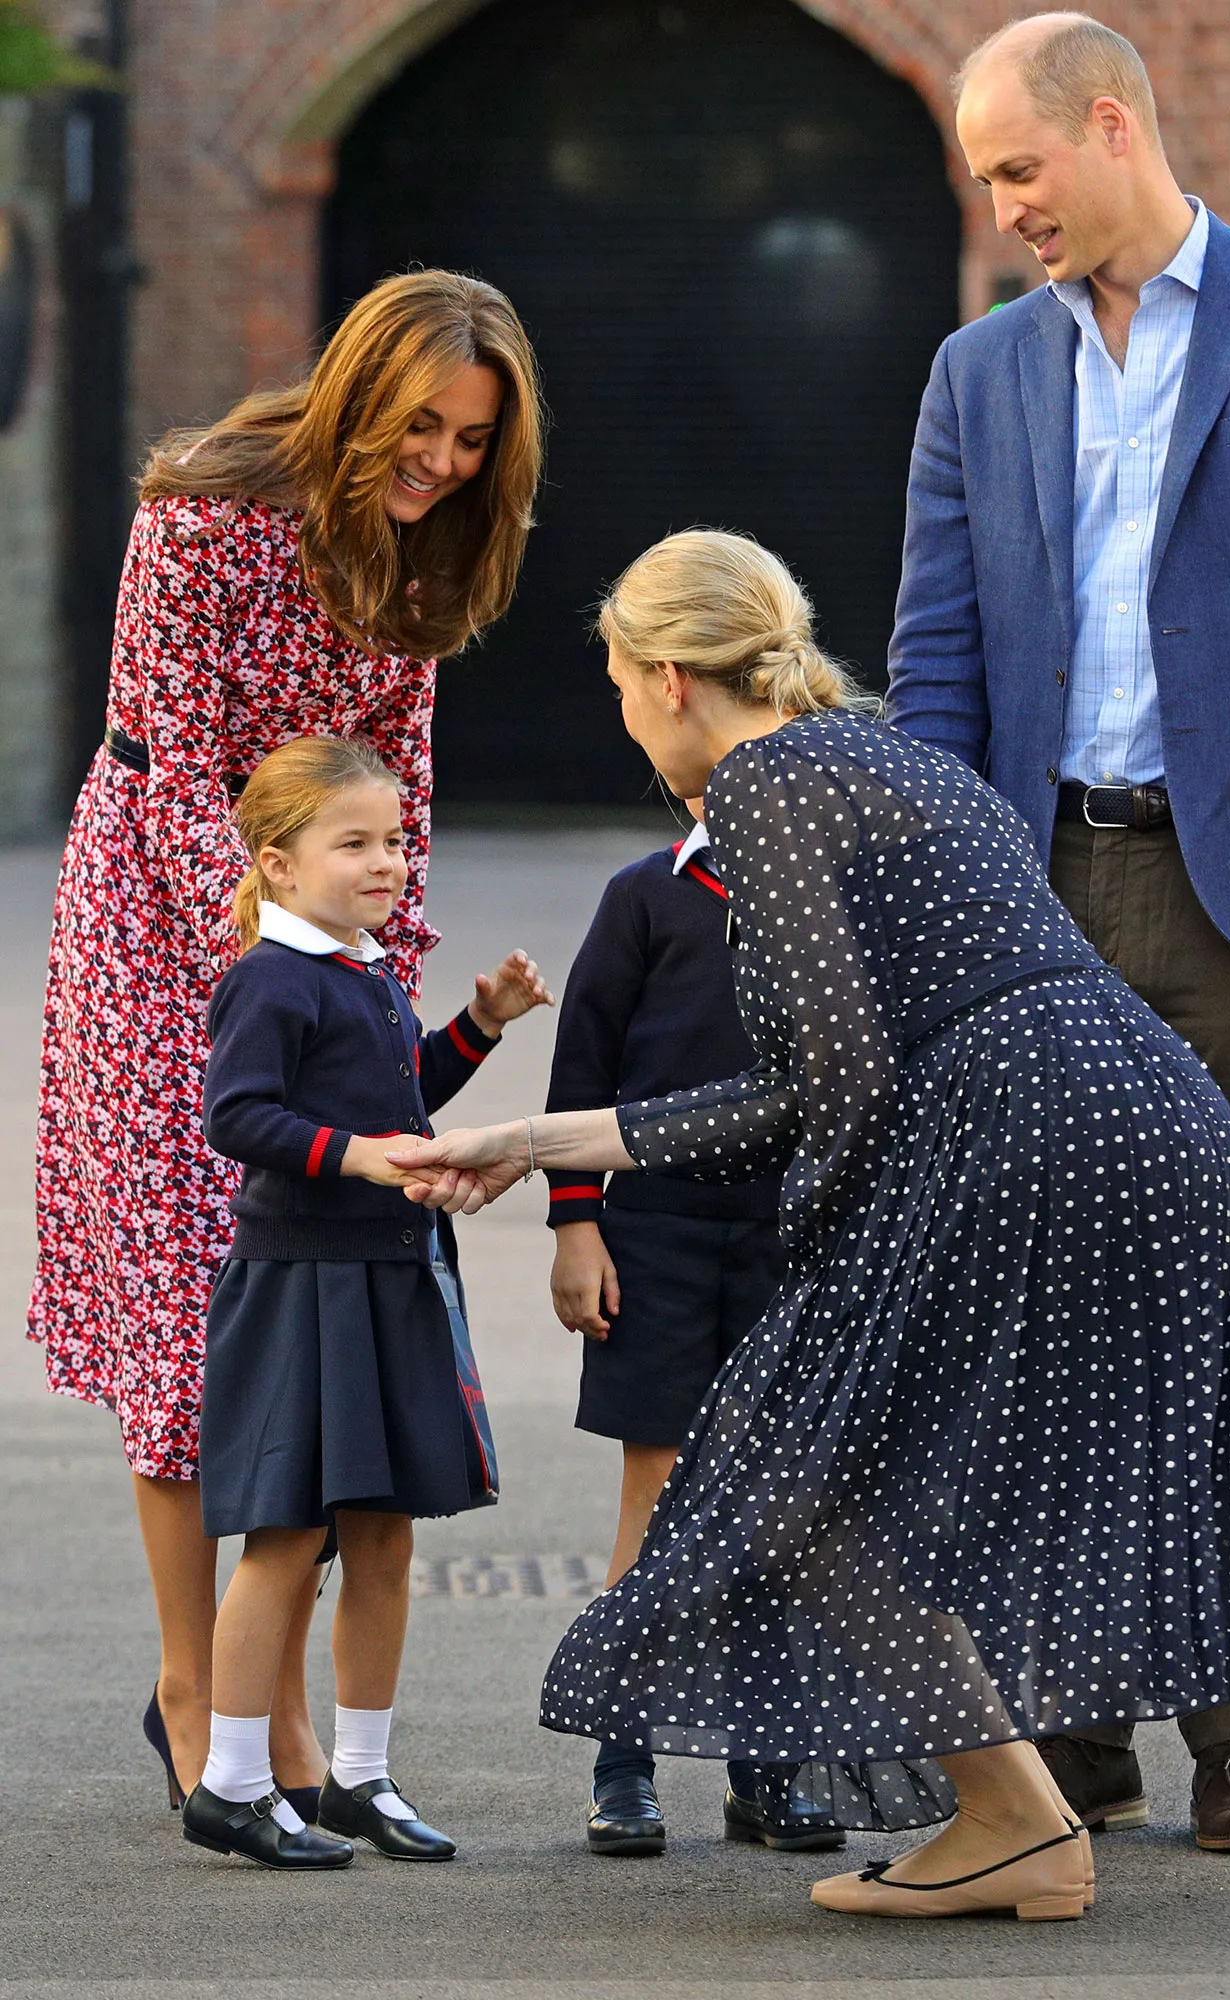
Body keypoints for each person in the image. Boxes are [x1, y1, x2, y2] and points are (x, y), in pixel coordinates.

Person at [386, 528, 1230, 1924]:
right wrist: (540, 1144)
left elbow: (823, 1086)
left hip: (1017, 1135)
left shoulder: (763, 784)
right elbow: (840, 1068)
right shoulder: (895, 755)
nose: (622, 718)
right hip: (1149, 1122)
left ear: (672, 677)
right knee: (909, 1479)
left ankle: (1016, 1821)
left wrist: (793, 1266)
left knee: (792, 1469)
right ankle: (1021, 1819)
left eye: (617, 684)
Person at [884, 13, 1230, 1852]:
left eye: (1015, 169)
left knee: (1225, 1303)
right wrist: (933, 904)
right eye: (984, 183)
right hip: (1035, 887)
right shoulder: (974, 373)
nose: (1001, 207)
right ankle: (1074, 1731)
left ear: (1106, 126)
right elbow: (935, 657)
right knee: (1038, 1314)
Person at [28, 268, 543, 1814]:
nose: (445, 461)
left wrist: (381, 985)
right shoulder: (203, 508)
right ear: (358, 387)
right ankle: (202, 1697)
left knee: (312, 1324)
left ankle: (272, 1714)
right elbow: (178, 765)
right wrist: (280, 964)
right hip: (158, 928)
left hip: (322, 938)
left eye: (474, 441)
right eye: (427, 424)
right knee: (199, 1332)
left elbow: (405, 783)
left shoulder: (429, 546)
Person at [181, 734, 551, 1869]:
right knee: (286, 1535)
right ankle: (232, 1784)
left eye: (393, 839)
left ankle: (359, 1774)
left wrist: (478, 1026)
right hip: (303, 1286)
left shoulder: (364, 964)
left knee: (385, 1536)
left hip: (392, 1280)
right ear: (279, 863)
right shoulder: (268, 975)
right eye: (356, 842)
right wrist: (361, 1159)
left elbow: (397, 1095)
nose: (387, 860)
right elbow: (237, 1118)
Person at [544, 800, 822, 1856]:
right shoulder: (645, 896)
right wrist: (576, 1226)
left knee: (776, 1509)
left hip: (789, 1238)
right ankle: (621, 1760)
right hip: (650, 1232)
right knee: (654, 1498)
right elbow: (582, 1073)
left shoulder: (829, 900)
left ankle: (765, 1767)